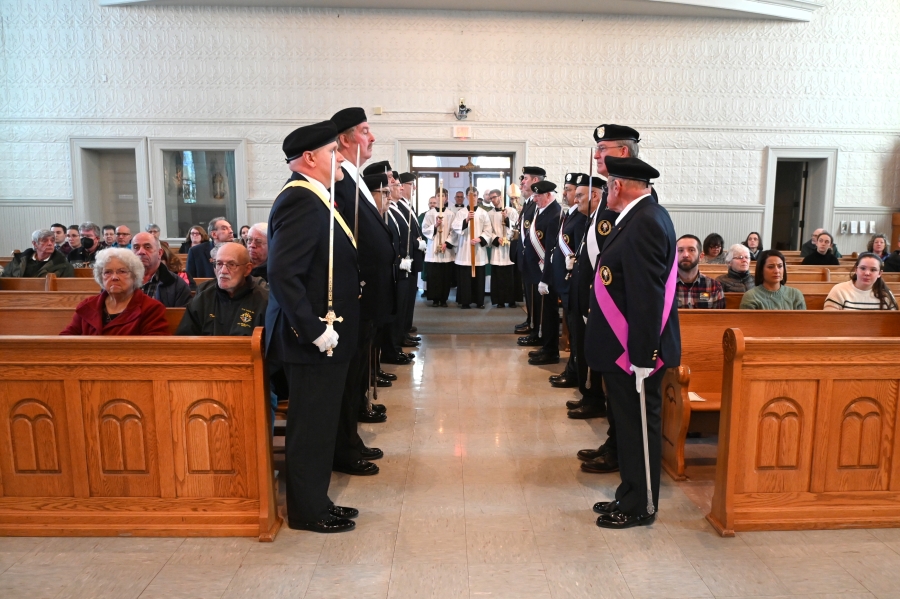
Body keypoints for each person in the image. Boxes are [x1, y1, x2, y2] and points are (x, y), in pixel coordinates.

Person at [265, 121, 361, 533]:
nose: (338, 159)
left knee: (320, 424)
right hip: (314, 338)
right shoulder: (301, 199)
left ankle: (316, 499)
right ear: (309, 159)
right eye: (332, 152)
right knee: (310, 426)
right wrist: (313, 329)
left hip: (326, 334)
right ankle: (306, 510)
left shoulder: (316, 197)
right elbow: (284, 274)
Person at [585, 156, 680, 529]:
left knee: (639, 428)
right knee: (627, 427)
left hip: (635, 354)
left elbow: (648, 296)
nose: (607, 189)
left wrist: (643, 355)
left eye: (608, 183)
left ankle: (642, 506)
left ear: (618, 186)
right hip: (624, 350)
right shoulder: (640, 218)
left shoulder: (646, 222)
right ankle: (629, 494)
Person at [330, 107, 395, 472]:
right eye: (366, 131)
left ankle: (351, 439)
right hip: (354, 298)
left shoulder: (352, 177)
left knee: (355, 378)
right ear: (344, 139)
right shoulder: (339, 180)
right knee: (347, 379)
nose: (371, 138)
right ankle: (344, 447)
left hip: (367, 299)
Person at [563, 174, 608, 421]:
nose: (575, 200)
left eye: (579, 195)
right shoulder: (590, 218)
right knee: (581, 346)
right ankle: (587, 394)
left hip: (591, 298)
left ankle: (592, 398)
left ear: (594, 195)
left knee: (589, 349)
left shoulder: (602, 219)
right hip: (580, 293)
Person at [543, 173, 588, 394]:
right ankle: (571, 369)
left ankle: (575, 372)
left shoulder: (580, 218)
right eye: (567, 189)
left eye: (571, 190)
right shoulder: (569, 215)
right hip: (565, 283)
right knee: (572, 328)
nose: (566, 194)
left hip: (573, 285)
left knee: (577, 333)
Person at [60, 248, 169, 336]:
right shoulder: (88, 306)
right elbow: (66, 340)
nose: (114, 277)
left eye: (122, 271)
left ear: (135, 275)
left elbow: (156, 348)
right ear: (100, 276)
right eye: (107, 272)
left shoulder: (151, 308)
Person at [177, 243, 268, 334]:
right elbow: (184, 340)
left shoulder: (264, 301)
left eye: (231, 264)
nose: (223, 271)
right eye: (219, 264)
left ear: (247, 269)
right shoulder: (202, 299)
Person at [514, 166, 547, 340]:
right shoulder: (529, 203)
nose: (522, 182)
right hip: (526, 257)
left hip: (535, 259)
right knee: (529, 294)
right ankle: (530, 320)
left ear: (535, 181)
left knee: (535, 296)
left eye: (525, 178)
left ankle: (536, 327)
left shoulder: (538, 202)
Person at [452, 186, 494, 309]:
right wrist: (466, 220)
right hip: (465, 249)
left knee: (478, 277)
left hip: (478, 250)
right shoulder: (461, 213)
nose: (472, 198)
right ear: (466, 197)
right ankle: (465, 301)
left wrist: (480, 239)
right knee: (465, 277)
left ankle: (479, 301)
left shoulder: (483, 213)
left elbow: (488, 230)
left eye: (474, 195)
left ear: (477, 196)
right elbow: (455, 227)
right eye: (470, 196)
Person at [397, 172, 425, 343]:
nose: (413, 189)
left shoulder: (408, 205)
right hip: (407, 255)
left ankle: (406, 326)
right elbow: (404, 232)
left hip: (413, 256)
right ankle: (402, 330)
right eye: (411, 185)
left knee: (410, 295)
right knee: (405, 297)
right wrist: (416, 243)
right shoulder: (400, 205)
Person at [132, 232, 192, 307]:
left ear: (160, 253)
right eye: (136, 247)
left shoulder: (177, 284)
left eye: (147, 247)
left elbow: (180, 316)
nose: (141, 252)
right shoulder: (123, 280)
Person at [824, 253, 897, 310]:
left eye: (873, 270)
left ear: (879, 274)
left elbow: (892, 323)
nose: (867, 273)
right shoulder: (839, 290)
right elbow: (829, 321)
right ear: (856, 269)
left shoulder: (886, 295)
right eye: (863, 268)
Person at [739, 249, 806, 310]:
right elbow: (747, 323)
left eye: (780, 266)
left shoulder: (795, 295)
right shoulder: (751, 296)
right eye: (770, 267)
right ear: (761, 270)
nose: (777, 271)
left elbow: (803, 322)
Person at [422, 190, 456, 306]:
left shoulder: (451, 214)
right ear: (435, 198)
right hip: (433, 249)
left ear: (446, 198)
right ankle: (435, 299)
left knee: (445, 276)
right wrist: (435, 226)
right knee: (434, 275)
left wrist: (447, 242)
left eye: (443, 196)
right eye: (438, 195)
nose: (440, 198)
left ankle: (443, 299)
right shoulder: (429, 214)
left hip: (446, 250)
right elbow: (425, 229)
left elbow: (454, 231)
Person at [487, 188, 519, 307]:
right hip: (497, 248)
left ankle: (511, 300)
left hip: (509, 246)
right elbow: (488, 230)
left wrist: (506, 218)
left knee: (510, 276)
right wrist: (496, 238)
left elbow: (516, 226)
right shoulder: (489, 214)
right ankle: (499, 300)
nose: (492, 200)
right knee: (498, 276)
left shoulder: (511, 211)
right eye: (490, 198)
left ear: (500, 197)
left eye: (494, 197)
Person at [675, 235, 726, 309]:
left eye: (691, 250)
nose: (685, 255)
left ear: (701, 256)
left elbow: (719, 318)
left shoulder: (714, 286)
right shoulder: (664, 285)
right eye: (680, 250)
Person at [2, 229, 75, 278]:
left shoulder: (63, 264)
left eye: (52, 240)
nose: (50, 243)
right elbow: (4, 280)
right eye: (44, 240)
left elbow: (67, 288)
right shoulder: (18, 261)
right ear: (34, 243)